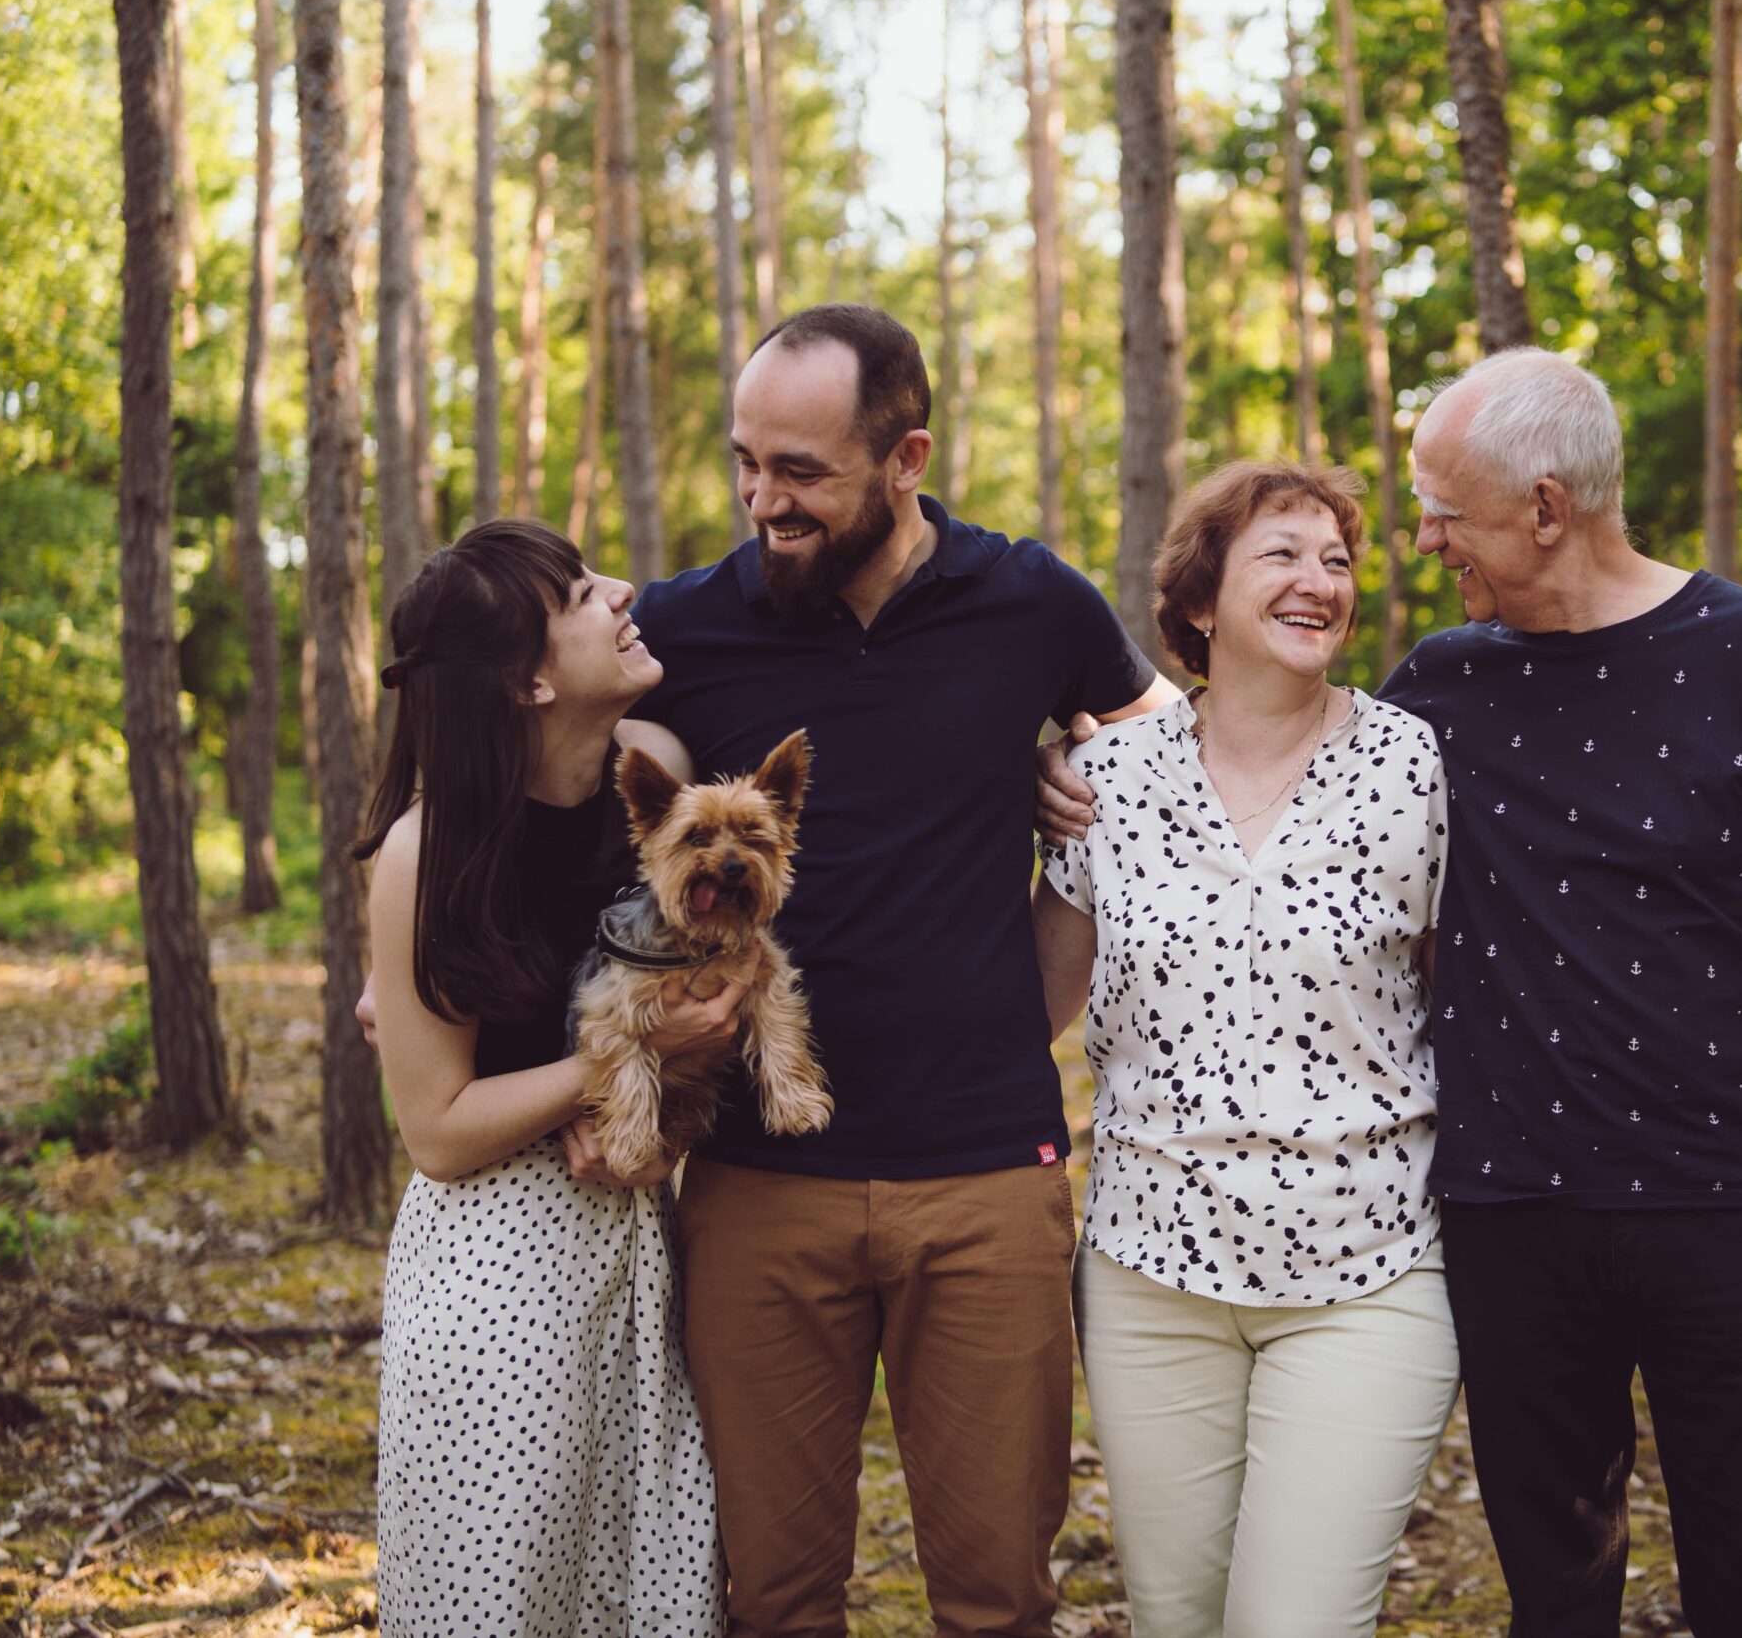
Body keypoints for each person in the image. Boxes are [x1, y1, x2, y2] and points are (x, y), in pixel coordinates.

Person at [1042, 349, 1742, 1637]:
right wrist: (1041, 783)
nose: (1421, 540)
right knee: (1554, 1599)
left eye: (1443, 510)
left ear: (1546, 509)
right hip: (1508, 1224)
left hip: (1730, 1210)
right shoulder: (1445, 685)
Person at [625, 303, 1176, 1638]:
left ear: (906, 455)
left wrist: (1080, 785)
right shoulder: (681, 628)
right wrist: (411, 949)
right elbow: (532, 782)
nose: (765, 499)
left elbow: (1171, 761)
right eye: (746, 461)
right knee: (777, 1592)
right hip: (758, 1185)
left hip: (987, 1175)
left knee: (997, 1595)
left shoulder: (1032, 599)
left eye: (802, 470)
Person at [1031, 461, 1456, 1638]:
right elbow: (1031, 1009)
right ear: (1200, 603)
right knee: (1178, 1619)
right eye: (1283, 554)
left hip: (1366, 1271)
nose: (1321, 579)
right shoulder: (1102, 784)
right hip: (1149, 1271)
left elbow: (1459, 1001)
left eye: (1338, 560)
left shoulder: (1414, 767)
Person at [356, 518, 731, 1637]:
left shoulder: (652, 779)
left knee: (646, 1593)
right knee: (502, 1596)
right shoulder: (430, 850)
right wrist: (623, 1063)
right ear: (524, 679)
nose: (622, 592)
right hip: (496, 1272)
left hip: (639, 1256)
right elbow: (439, 1129)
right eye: (578, 593)